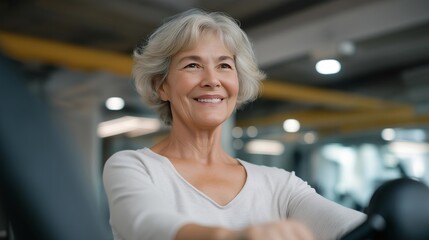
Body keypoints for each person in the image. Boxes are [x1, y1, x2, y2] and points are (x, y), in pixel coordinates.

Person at [103, 9, 366, 240]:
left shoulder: (279, 185)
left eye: (224, 66)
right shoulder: (134, 167)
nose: (212, 80)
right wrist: (233, 236)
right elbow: (148, 226)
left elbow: (347, 225)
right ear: (162, 86)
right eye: (193, 65)